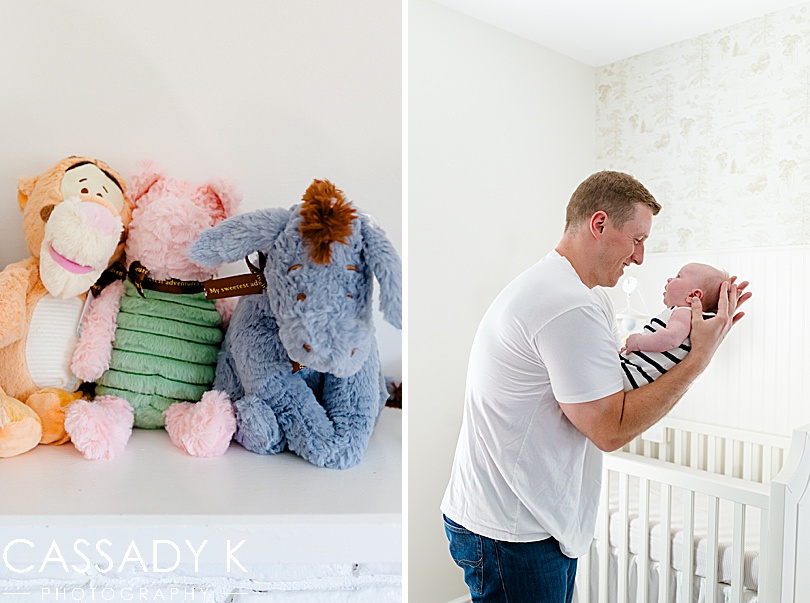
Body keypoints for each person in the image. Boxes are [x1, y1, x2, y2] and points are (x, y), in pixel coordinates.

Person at [440, 171, 749, 603]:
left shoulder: (576, 293)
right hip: (514, 532)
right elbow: (609, 429)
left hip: (521, 521)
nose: (641, 258)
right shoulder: (568, 304)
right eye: (637, 239)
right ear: (599, 225)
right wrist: (697, 359)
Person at [620, 262, 730, 390]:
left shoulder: (684, 312)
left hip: (632, 374)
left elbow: (671, 338)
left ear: (692, 295)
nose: (670, 279)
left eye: (678, 276)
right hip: (636, 374)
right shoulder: (694, 319)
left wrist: (638, 342)